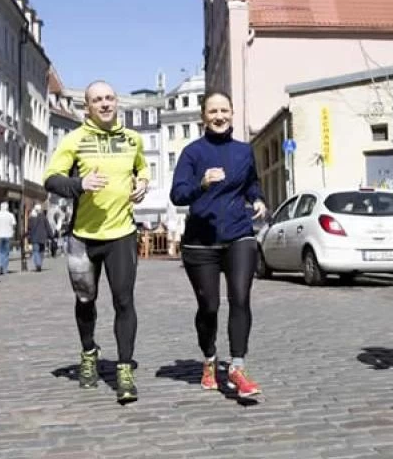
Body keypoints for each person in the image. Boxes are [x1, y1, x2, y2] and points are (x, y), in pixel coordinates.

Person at [43, 80, 150, 403]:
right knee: (86, 300)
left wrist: (143, 183)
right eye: (97, 100)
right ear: (86, 107)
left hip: (121, 233)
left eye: (109, 98)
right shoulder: (74, 140)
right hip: (83, 237)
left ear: (116, 102)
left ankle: (123, 370)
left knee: (124, 301)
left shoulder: (132, 139)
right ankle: (89, 352)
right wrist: (80, 183)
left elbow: (142, 168)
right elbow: (50, 179)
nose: (104, 104)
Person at [169, 91, 267, 398]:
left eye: (224, 110)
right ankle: (210, 358)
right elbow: (177, 195)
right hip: (201, 243)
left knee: (240, 298)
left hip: (239, 234)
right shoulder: (192, 153)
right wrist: (202, 184)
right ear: (203, 117)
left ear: (232, 113)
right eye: (213, 111)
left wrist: (257, 198)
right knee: (209, 307)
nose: (219, 116)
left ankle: (237, 365)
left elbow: (252, 182)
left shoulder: (244, 151)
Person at [0, 202, 16, 275]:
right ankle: (5, 268)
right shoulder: (10, 215)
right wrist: (12, 231)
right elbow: (14, 224)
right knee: (6, 252)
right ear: (7, 207)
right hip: (8, 235)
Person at [27, 206, 55, 272]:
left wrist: (28, 236)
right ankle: (39, 264)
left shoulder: (31, 218)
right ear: (40, 210)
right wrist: (51, 236)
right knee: (41, 252)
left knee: (35, 251)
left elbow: (29, 228)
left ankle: (38, 264)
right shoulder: (43, 217)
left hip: (34, 237)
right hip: (42, 237)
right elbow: (48, 227)